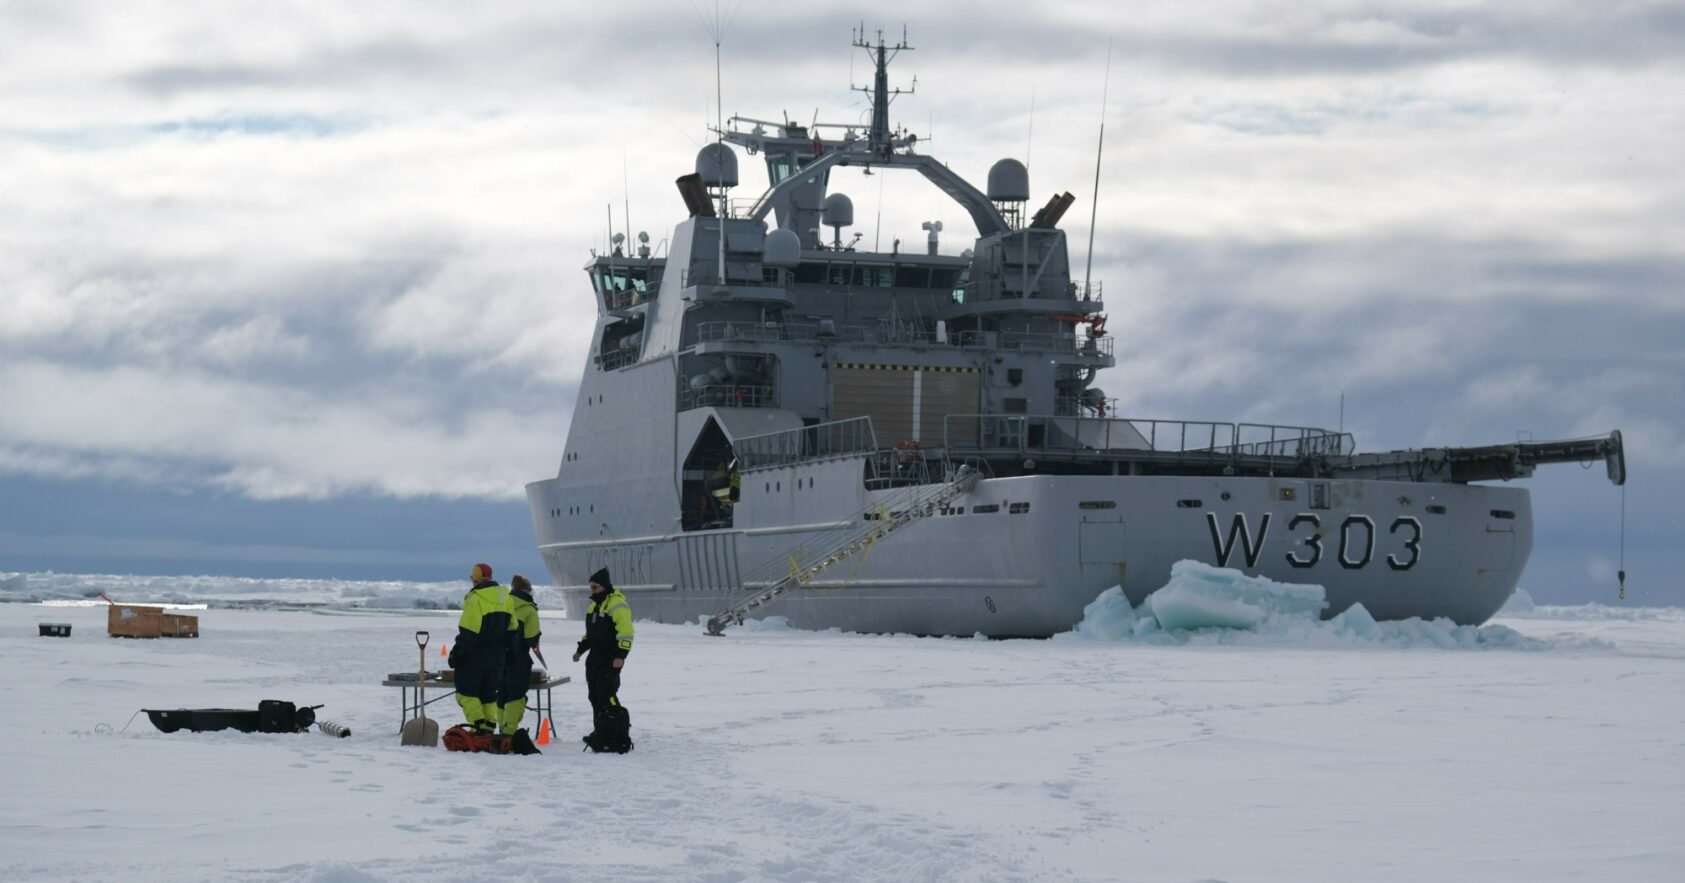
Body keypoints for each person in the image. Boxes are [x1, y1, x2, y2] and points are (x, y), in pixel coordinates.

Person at [448, 563, 519, 734]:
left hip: (475, 657)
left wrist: (456, 655)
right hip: (497, 658)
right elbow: (513, 628)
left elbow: (469, 633)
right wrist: (509, 655)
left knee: (465, 692)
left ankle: (478, 726)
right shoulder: (506, 597)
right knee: (488, 695)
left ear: (475, 579)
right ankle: (488, 730)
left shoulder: (474, 599)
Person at [573, 567, 634, 752]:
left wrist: (620, 656)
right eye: (591, 587)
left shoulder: (616, 604)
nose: (592, 590)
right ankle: (601, 730)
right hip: (594, 659)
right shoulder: (594, 606)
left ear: (604, 586)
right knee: (594, 696)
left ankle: (617, 731)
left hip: (610, 659)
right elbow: (590, 635)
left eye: (595, 587)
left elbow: (627, 633)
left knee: (607, 695)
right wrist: (580, 650)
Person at [499, 574, 544, 735]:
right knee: (516, 695)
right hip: (518, 659)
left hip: (499, 659)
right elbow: (531, 638)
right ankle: (509, 732)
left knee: (502, 695)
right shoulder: (529, 609)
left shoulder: (503, 604)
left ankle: (501, 729)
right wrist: (536, 639)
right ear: (527, 590)